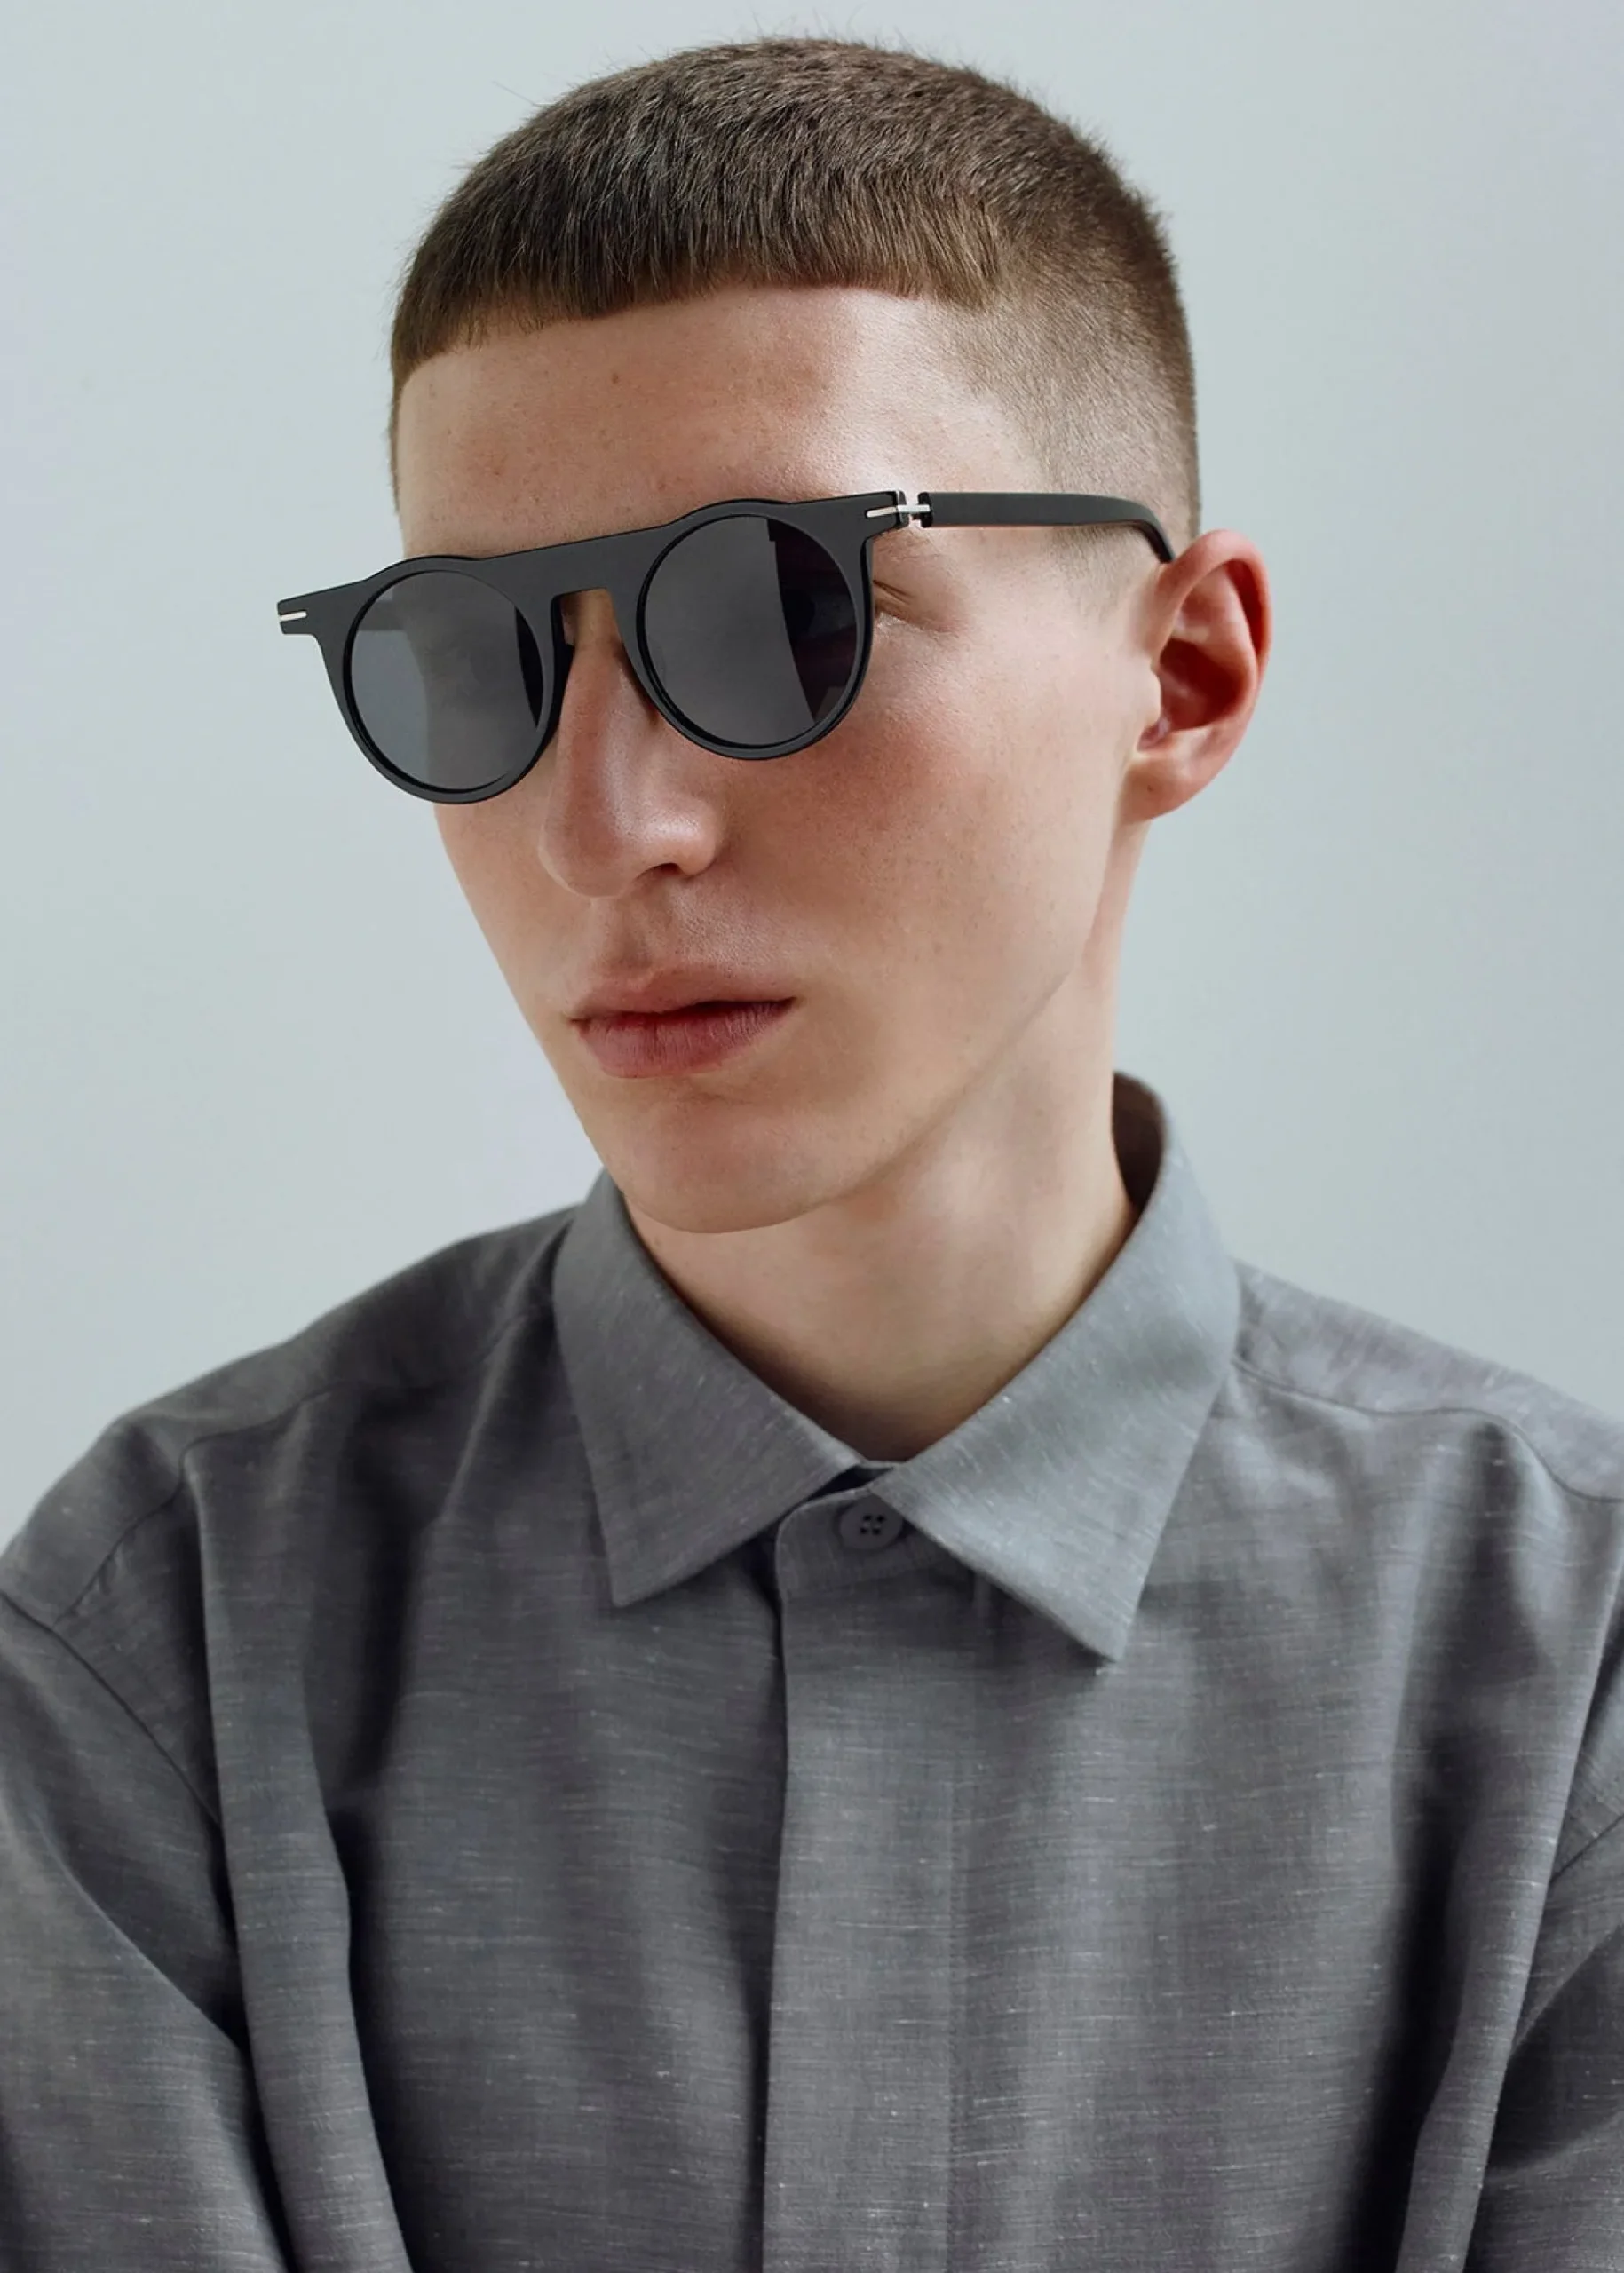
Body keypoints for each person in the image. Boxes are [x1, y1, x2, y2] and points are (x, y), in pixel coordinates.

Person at [2, 33, 1619, 2272]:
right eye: (472, 656)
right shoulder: (156, 1629)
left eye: (780, 608)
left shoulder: (1571, 1666)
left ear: (1181, 675)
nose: (606, 827)